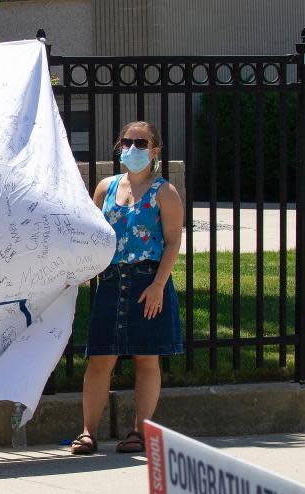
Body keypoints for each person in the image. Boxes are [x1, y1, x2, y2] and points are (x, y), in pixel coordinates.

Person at [71, 121, 184, 455]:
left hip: (146, 281)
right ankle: (88, 432)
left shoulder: (165, 192)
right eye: (127, 142)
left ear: (155, 150)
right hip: (111, 281)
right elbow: (93, 234)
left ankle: (139, 432)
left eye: (141, 142)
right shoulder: (106, 188)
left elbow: (174, 239)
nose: (133, 148)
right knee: (100, 358)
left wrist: (158, 285)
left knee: (146, 358)